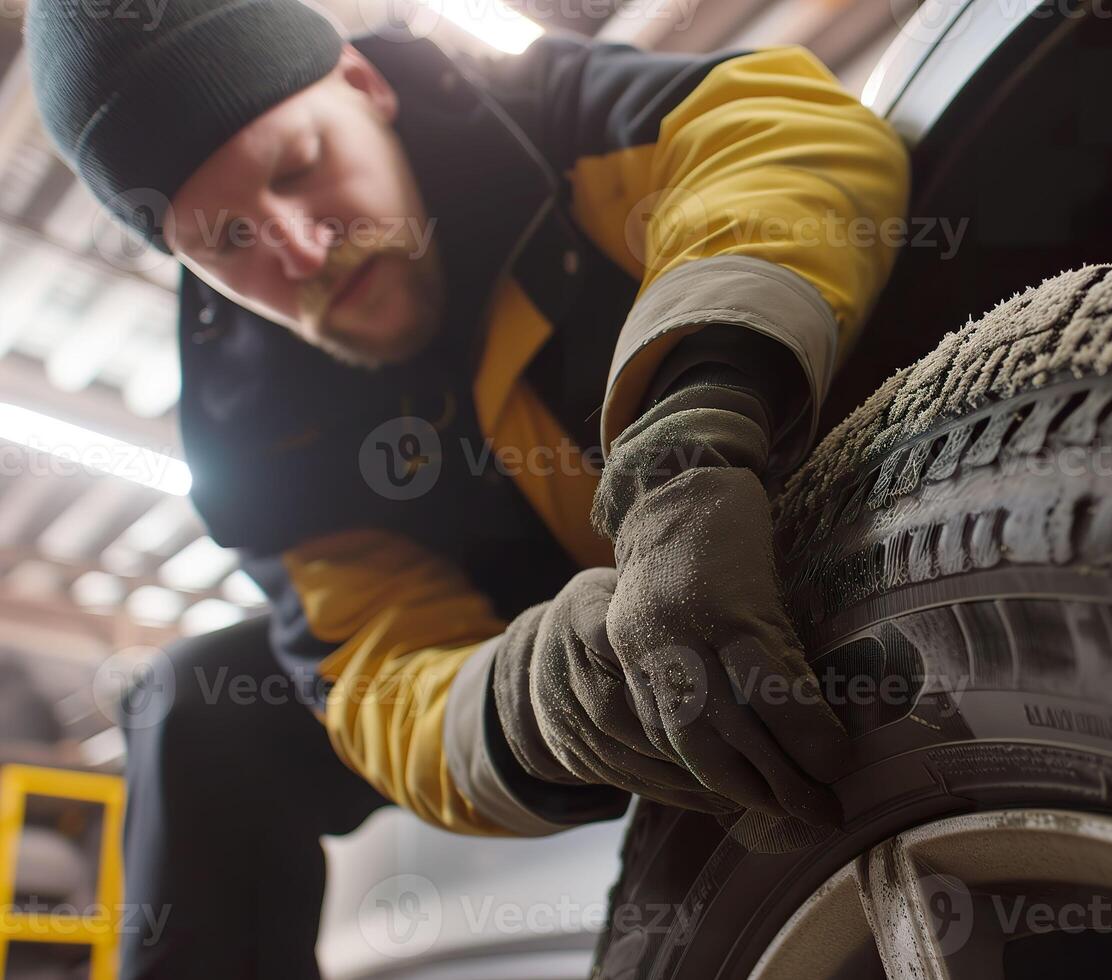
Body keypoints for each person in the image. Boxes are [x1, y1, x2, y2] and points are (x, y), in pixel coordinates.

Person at [23, 0, 910, 974]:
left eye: (298, 166)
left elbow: (782, 134)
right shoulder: (252, 426)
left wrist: (690, 431)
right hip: (557, 629)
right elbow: (375, 667)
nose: (301, 250)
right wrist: (543, 698)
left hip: (760, 470)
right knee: (196, 705)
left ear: (365, 83)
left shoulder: (545, 115)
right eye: (230, 237)